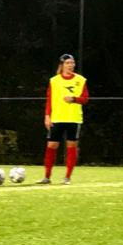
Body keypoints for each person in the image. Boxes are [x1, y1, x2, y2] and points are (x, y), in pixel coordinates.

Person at [37, 54, 88, 184]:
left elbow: (85, 99)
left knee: (71, 146)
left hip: (73, 119)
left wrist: (74, 99)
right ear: (62, 65)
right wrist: (47, 116)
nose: (71, 65)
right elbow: (49, 100)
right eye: (68, 63)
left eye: (72, 62)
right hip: (57, 118)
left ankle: (67, 177)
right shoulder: (54, 81)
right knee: (51, 146)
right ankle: (47, 177)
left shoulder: (81, 80)